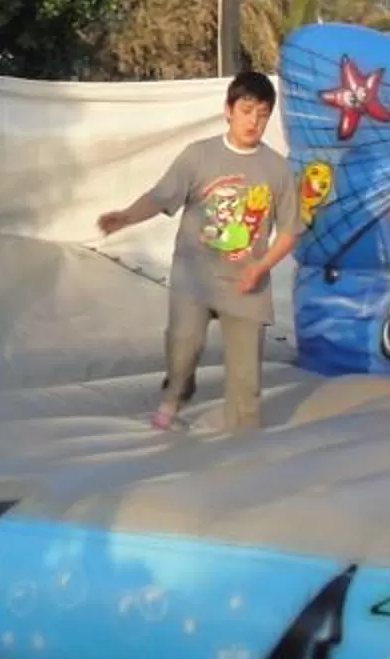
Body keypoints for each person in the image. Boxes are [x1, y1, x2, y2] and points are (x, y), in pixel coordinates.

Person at [97, 70, 302, 434]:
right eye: (246, 110)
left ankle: (244, 440)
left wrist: (262, 266)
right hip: (195, 277)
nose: (253, 121)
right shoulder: (199, 156)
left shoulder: (277, 169)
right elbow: (161, 197)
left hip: (246, 283)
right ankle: (173, 399)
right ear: (228, 110)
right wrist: (125, 216)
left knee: (246, 378)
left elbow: (290, 230)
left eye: (263, 113)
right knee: (183, 348)